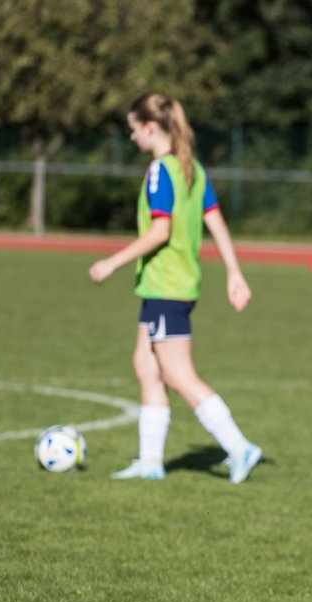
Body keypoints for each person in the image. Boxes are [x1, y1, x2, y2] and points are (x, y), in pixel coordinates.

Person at [89, 93, 263, 484]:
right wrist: (234, 273)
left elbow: (160, 230)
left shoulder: (160, 171)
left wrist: (112, 262)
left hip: (167, 287)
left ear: (150, 128)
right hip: (167, 287)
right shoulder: (192, 168)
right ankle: (150, 462)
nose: (132, 139)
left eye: (134, 131)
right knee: (145, 365)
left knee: (178, 373)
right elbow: (216, 222)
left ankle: (239, 447)